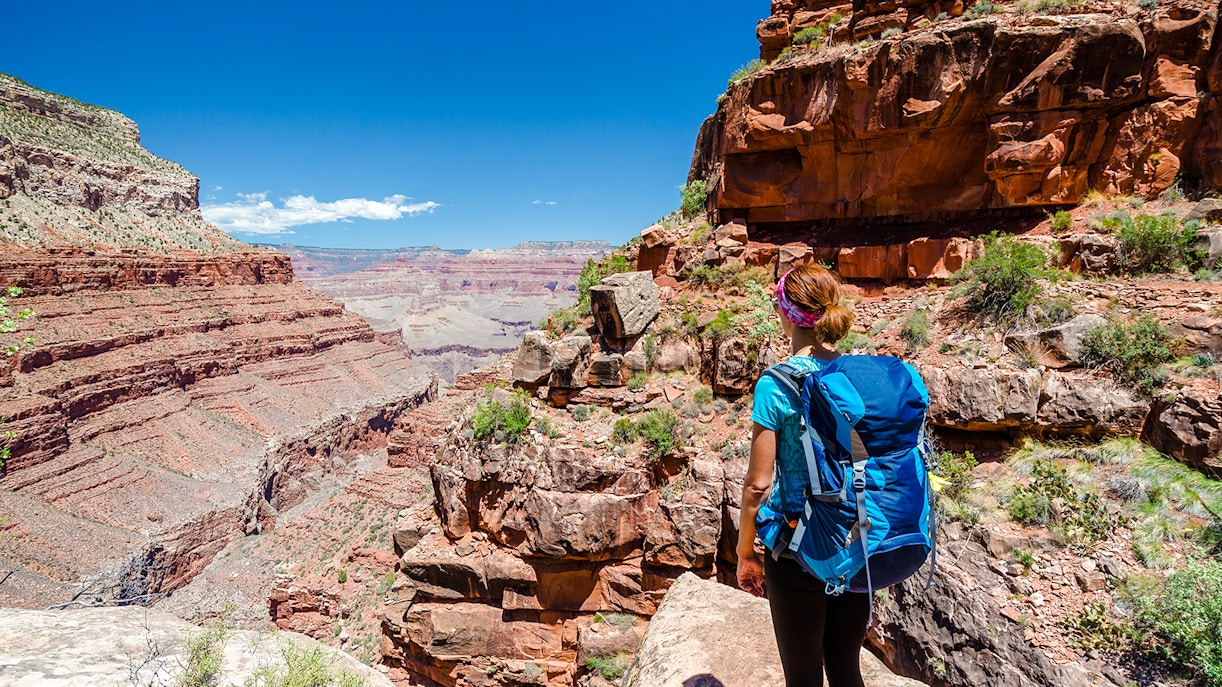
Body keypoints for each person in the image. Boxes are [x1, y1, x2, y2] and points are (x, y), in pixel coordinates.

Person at [735, 263, 870, 687]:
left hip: (798, 548)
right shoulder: (857, 375)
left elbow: (758, 485)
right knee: (847, 668)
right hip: (856, 541)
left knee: (804, 678)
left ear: (784, 312)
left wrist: (744, 552)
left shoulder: (775, 383)